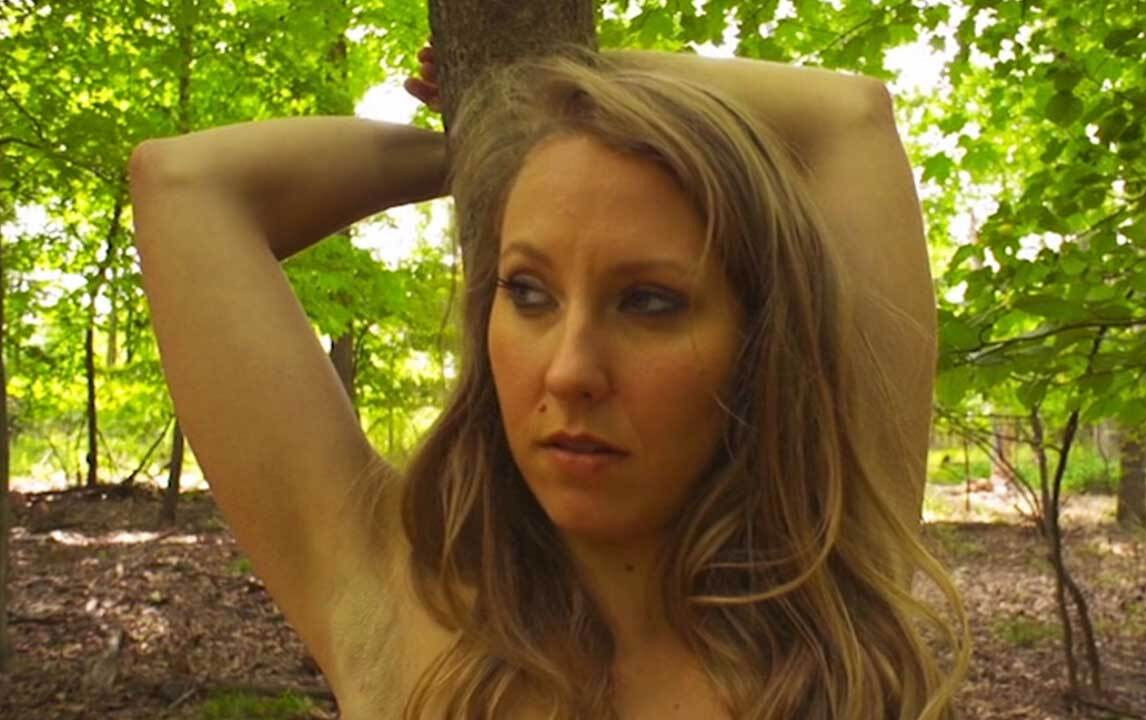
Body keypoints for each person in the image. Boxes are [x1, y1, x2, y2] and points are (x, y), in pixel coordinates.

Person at [128, 40, 966, 720]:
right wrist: (497, 127)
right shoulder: (390, 595)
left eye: (649, 302)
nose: (569, 372)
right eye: (529, 292)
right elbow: (184, 182)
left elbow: (848, 117)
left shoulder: (838, 590)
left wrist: (542, 69)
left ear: (758, 344)